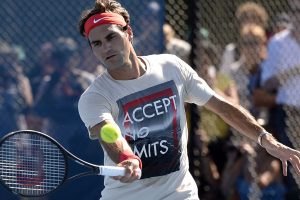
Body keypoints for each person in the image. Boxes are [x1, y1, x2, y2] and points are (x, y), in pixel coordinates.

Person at [77, 1, 300, 199]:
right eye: (96, 43)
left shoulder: (171, 67)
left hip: (181, 194)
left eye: (111, 37)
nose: (105, 47)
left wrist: (266, 139)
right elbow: (108, 132)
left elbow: (222, 107)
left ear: (129, 33)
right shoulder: (94, 97)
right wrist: (126, 157)